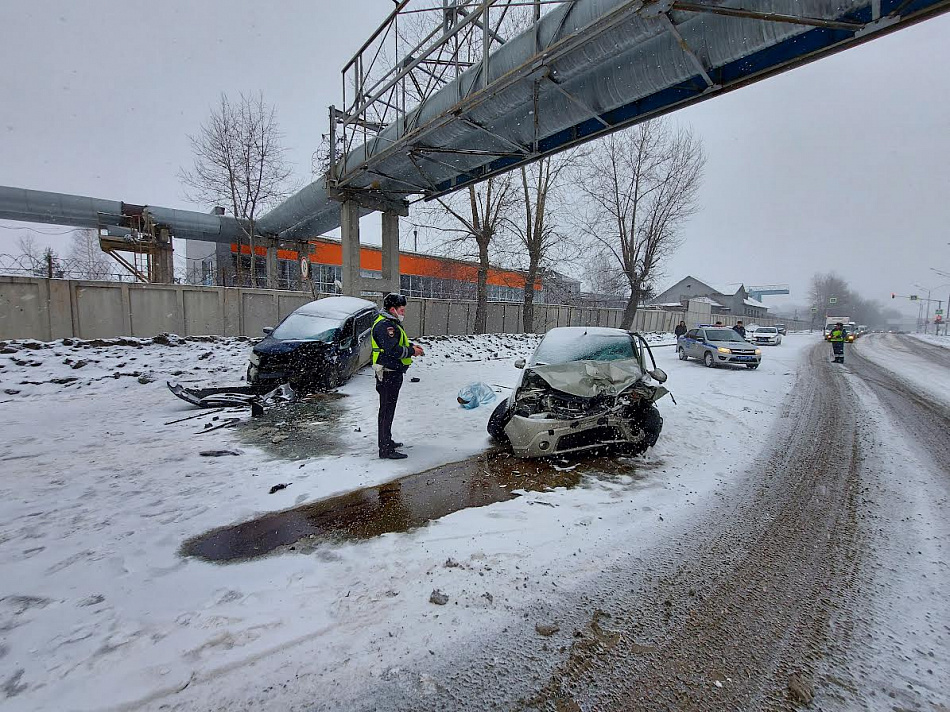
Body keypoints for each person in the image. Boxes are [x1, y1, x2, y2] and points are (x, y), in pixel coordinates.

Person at [372, 293, 424, 459]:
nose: (404, 313)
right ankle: (385, 449)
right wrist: (411, 351)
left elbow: (397, 344)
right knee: (386, 411)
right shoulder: (385, 326)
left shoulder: (390, 323)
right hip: (388, 373)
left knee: (388, 410)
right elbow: (393, 350)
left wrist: (410, 346)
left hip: (392, 372)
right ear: (392, 309)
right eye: (402, 309)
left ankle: (387, 441)